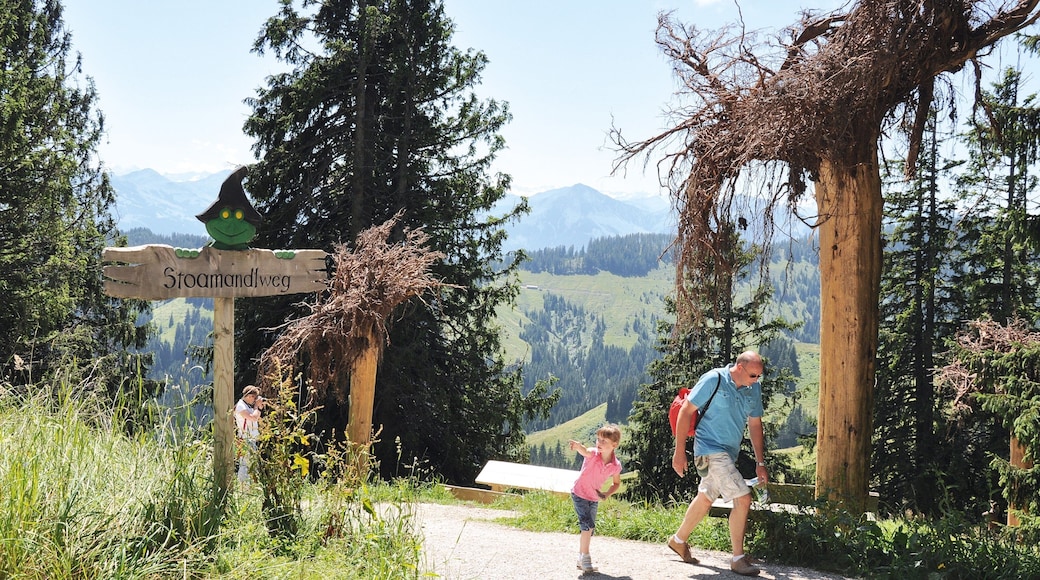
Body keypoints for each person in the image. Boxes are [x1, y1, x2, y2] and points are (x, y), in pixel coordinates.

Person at [667, 350, 767, 577]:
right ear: (739, 368)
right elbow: (686, 411)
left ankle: (678, 540)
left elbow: (755, 425)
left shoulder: (753, 389)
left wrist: (760, 462)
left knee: (706, 497)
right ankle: (738, 559)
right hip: (708, 450)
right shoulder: (715, 379)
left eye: (759, 376)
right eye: (753, 375)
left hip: (728, 454)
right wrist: (679, 451)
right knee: (743, 498)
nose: (756, 380)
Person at [568, 424, 623, 574]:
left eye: (604, 441)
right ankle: (586, 558)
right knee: (587, 525)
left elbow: (616, 483)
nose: (599, 443)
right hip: (579, 493)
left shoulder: (615, 465)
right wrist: (578, 447)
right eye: (598, 439)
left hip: (593, 497)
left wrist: (606, 494)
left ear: (614, 445)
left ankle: (581, 558)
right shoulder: (593, 453)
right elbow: (584, 451)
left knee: (589, 528)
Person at [234, 385, 265, 485]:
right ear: (249, 396)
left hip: (251, 439)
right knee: (245, 465)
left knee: (251, 465)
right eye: (254, 398)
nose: (254, 400)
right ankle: (243, 487)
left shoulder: (247, 406)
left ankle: (249, 486)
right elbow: (252, 418)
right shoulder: (241, 406)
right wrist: (257, 407)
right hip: (245, 439)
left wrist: (259, 407)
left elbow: (256, 417)